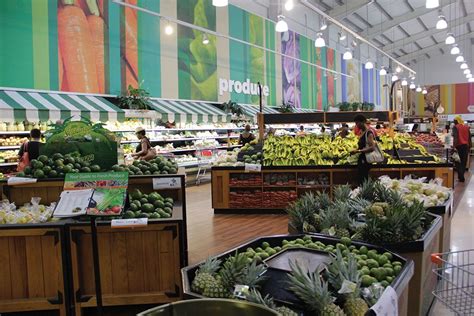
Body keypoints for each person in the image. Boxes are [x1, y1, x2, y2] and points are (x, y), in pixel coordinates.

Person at [351, 115, 376, 185]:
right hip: (363, 159)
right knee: (361, 179)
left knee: (364, 179)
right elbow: (362, 146)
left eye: (357, 123)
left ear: (363, 122)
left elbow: (372, 148)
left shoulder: (369, 133)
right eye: (356, 123)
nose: (356, 125)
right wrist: (356, 150)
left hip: (366, 160)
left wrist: (358, 151)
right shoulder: (362, 132)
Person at [452, 116, 471, 182]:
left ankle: (461, 176)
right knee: (463, 162)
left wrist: (454, 146)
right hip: (465, 146)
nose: (454, 122)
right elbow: (469, 138)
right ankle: (461, 177)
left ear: (457, 121)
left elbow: (456, 137)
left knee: (457, 161)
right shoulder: (466, 127)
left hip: (458, 146)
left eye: (454, 120)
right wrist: (469, 147)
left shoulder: (455, 127)